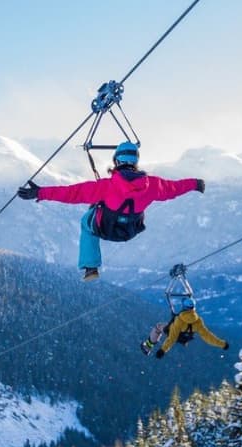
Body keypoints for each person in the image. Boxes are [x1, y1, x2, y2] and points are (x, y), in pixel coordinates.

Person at [17, 141, 205, 281]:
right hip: (129, 231)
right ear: (136, 161)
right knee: (104, 213)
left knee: (86, 222)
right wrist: (195, 184)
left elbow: (72, 193)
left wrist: (40, 192)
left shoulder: (106, 187)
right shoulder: (153, 186)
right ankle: (91, 265)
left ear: (116, 161)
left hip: (105, 228)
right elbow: (174, 188)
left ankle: (91, 267)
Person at [154, 297, 229, 358]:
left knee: (158, 326)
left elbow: (172, 338)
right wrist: (222, 344)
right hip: (186, 338)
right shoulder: (198, 320)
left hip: (175, 334)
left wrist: (162, 350)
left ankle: (149, 344)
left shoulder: (179, 320)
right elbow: (208, 336)